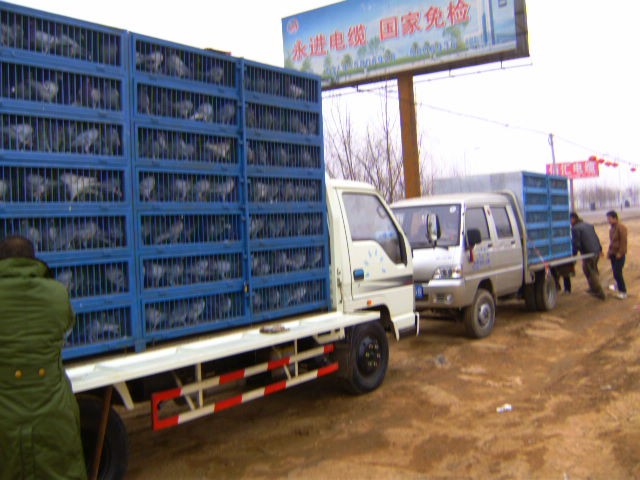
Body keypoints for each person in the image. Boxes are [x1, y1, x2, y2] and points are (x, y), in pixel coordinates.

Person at [0, 236, 87, 480]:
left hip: (6, 415)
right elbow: (67, 323)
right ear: (33, 259)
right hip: (53, 410)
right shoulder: (57, 293)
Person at [570, 212, 605, 300]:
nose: (569, 222)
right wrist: (600, 249)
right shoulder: (588, 225)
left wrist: (573, 255)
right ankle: (593, 288)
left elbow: (576, 243)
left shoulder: (575, 228)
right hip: (595, 251)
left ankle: (600, 293)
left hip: (588, 253)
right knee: (588, 269)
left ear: (573, 218)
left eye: (570, 219)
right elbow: (596, 237)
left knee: (591, 272)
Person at [606, 210, 628, 300]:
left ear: (615, 218)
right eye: (607, 219)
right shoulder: (612, 228)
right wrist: (609, 252)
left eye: (609, 219)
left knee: (617, 273)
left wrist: (620, 253)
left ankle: (623, 292)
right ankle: (618, 286)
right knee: (615, 273)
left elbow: (623, 241)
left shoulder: (621, 227)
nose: (608, 220)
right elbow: (612, 242)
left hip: (619, 255)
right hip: (613, 254)